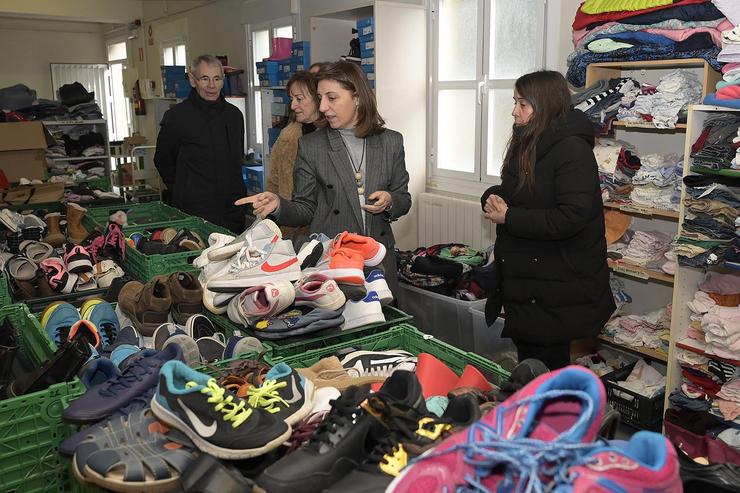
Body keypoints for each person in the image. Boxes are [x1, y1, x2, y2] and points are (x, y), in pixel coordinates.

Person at [238, 60, 411, 293]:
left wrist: (391, 200)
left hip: (379, 258)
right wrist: (279, 206)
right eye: (320, 98)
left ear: (357, 97)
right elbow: (304, 208)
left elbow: (404, 199)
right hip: (333, 261)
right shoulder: (312, 146)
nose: (323, 107)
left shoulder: (391, 141)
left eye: (332, 98)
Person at [481, 70, 615, 370]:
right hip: (532, 284)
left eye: (523, 104)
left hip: (557, 286)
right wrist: (492, 198)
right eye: (515, 102)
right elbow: (515, 190)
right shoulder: (528, 141)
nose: (515, 111)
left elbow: (571, 216)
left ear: (544, 106)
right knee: (532, 367)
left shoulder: (571, 150)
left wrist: (510, 216)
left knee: (546, 373)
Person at [154, 54, 246, 233]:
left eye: (217, 78)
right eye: (205, 78)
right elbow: (163, 160)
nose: (212, 86)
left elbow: (237, 159)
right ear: (192, 80)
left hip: (232, 210)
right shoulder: (176, 117)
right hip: (193, 212)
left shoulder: (234, 115)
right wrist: (184, 190)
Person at [265, 71, 321, 240]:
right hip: (289, 227)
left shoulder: (333, 137)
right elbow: (274, 181)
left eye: (299, 98)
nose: (293, 106)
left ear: (317, 98)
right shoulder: (287, 136)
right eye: (292, 99)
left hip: (323, 230)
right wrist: (270, 217)